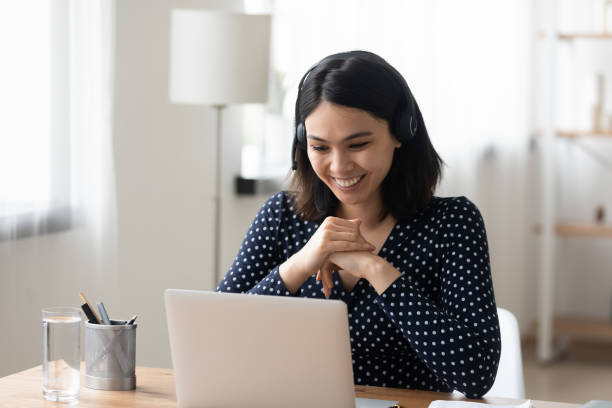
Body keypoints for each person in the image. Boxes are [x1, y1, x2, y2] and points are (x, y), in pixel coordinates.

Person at [216, 50, 501, 398]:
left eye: (358, 144)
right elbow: (217, 340)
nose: (339, 166)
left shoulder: (452, 224)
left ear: (400, 132)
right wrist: (299, 265)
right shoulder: (281, 216)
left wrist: (375, 269)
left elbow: (475, 374)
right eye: (320, 147)